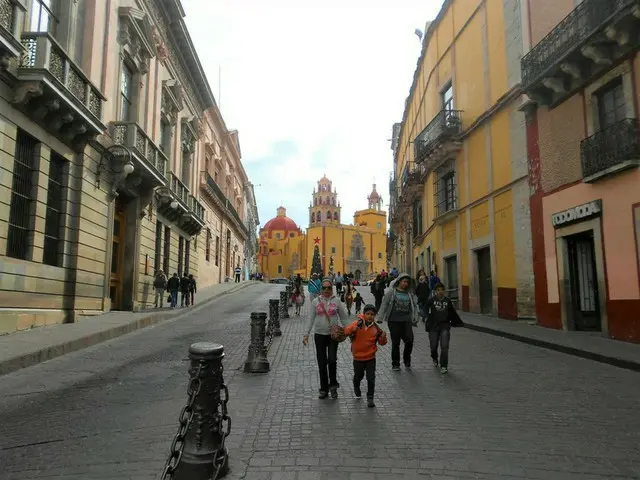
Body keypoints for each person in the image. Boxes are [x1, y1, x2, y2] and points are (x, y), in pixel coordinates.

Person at [303, 278, 349, 399]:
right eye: (324, 288)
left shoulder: (337, 301)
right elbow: (310, 318)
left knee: (332, 360)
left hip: (333, 336)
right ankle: (324, 388)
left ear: (332, 288)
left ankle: (333, 386)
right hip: (319, 335)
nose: (327, 290)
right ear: (321, 289)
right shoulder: (315, 302)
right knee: (322, 362)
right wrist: (306, 334)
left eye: (329, 287)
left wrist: (349, 331)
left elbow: (344, 318)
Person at [343, 304, 387, 408]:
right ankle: (356, 385)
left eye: (372, 314)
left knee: (371, 378)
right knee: (359, 376)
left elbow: (382, 342)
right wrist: (352, 330)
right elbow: (345, 332)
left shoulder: (377, 329)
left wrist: (383, 337)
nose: (370, 316)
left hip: (370, 358)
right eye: (368, 314)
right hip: (358, 358)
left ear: (374, 316)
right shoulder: (357, 324)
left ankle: (370, 397)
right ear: (364, 314)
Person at [377, 273, 419, 371]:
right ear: (399, 281)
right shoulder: (392, 292)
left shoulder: (410, 294)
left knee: (409, 340)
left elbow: (414, 306)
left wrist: (415, 317)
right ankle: (395, 364)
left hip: (406, 321)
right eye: (404, 281)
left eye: (407, 282)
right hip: (394, 320)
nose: (406, 284)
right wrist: (380, 317)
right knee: (396, 342)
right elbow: (384, 304)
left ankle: (406, 359)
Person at [425, 283, 464, 374]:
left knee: (444, 346)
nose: (440, 292)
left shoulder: (447, 301)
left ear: (444, 291)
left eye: (442, 290)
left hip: (444, 326)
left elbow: (453, 313)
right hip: (433, 327)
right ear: (435, 291)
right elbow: (426, 310)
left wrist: (456, 322)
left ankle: (444, 365)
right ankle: (434, 358)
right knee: (433, 346)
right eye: (438, 290)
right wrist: (427, 322)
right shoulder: (431, 301)